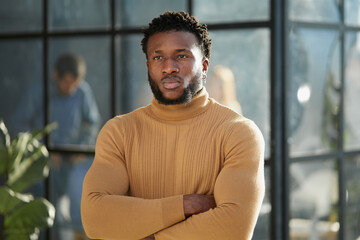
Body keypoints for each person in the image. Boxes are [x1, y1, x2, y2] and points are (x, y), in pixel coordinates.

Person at [81, 11, 264, 240]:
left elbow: (233, 229)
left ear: (205, 66)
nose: (169, 67)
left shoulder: (238, 132)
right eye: (158, 57)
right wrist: (185, 205)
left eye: (182, 56)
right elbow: (95, 218)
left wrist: (147, 236)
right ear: (148, 65)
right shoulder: (119, 132)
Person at [11, 53, 101, 239]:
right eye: (66, 83)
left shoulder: (82, 92)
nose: (70, 89)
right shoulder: (39, 92)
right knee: (45, 214)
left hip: (71, 162)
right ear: (55, 76)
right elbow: (19, 123)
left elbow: (93, 123)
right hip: (44, 164)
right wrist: (45, 149)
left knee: (79, 207)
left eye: (74, 84)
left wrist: (80, 147)